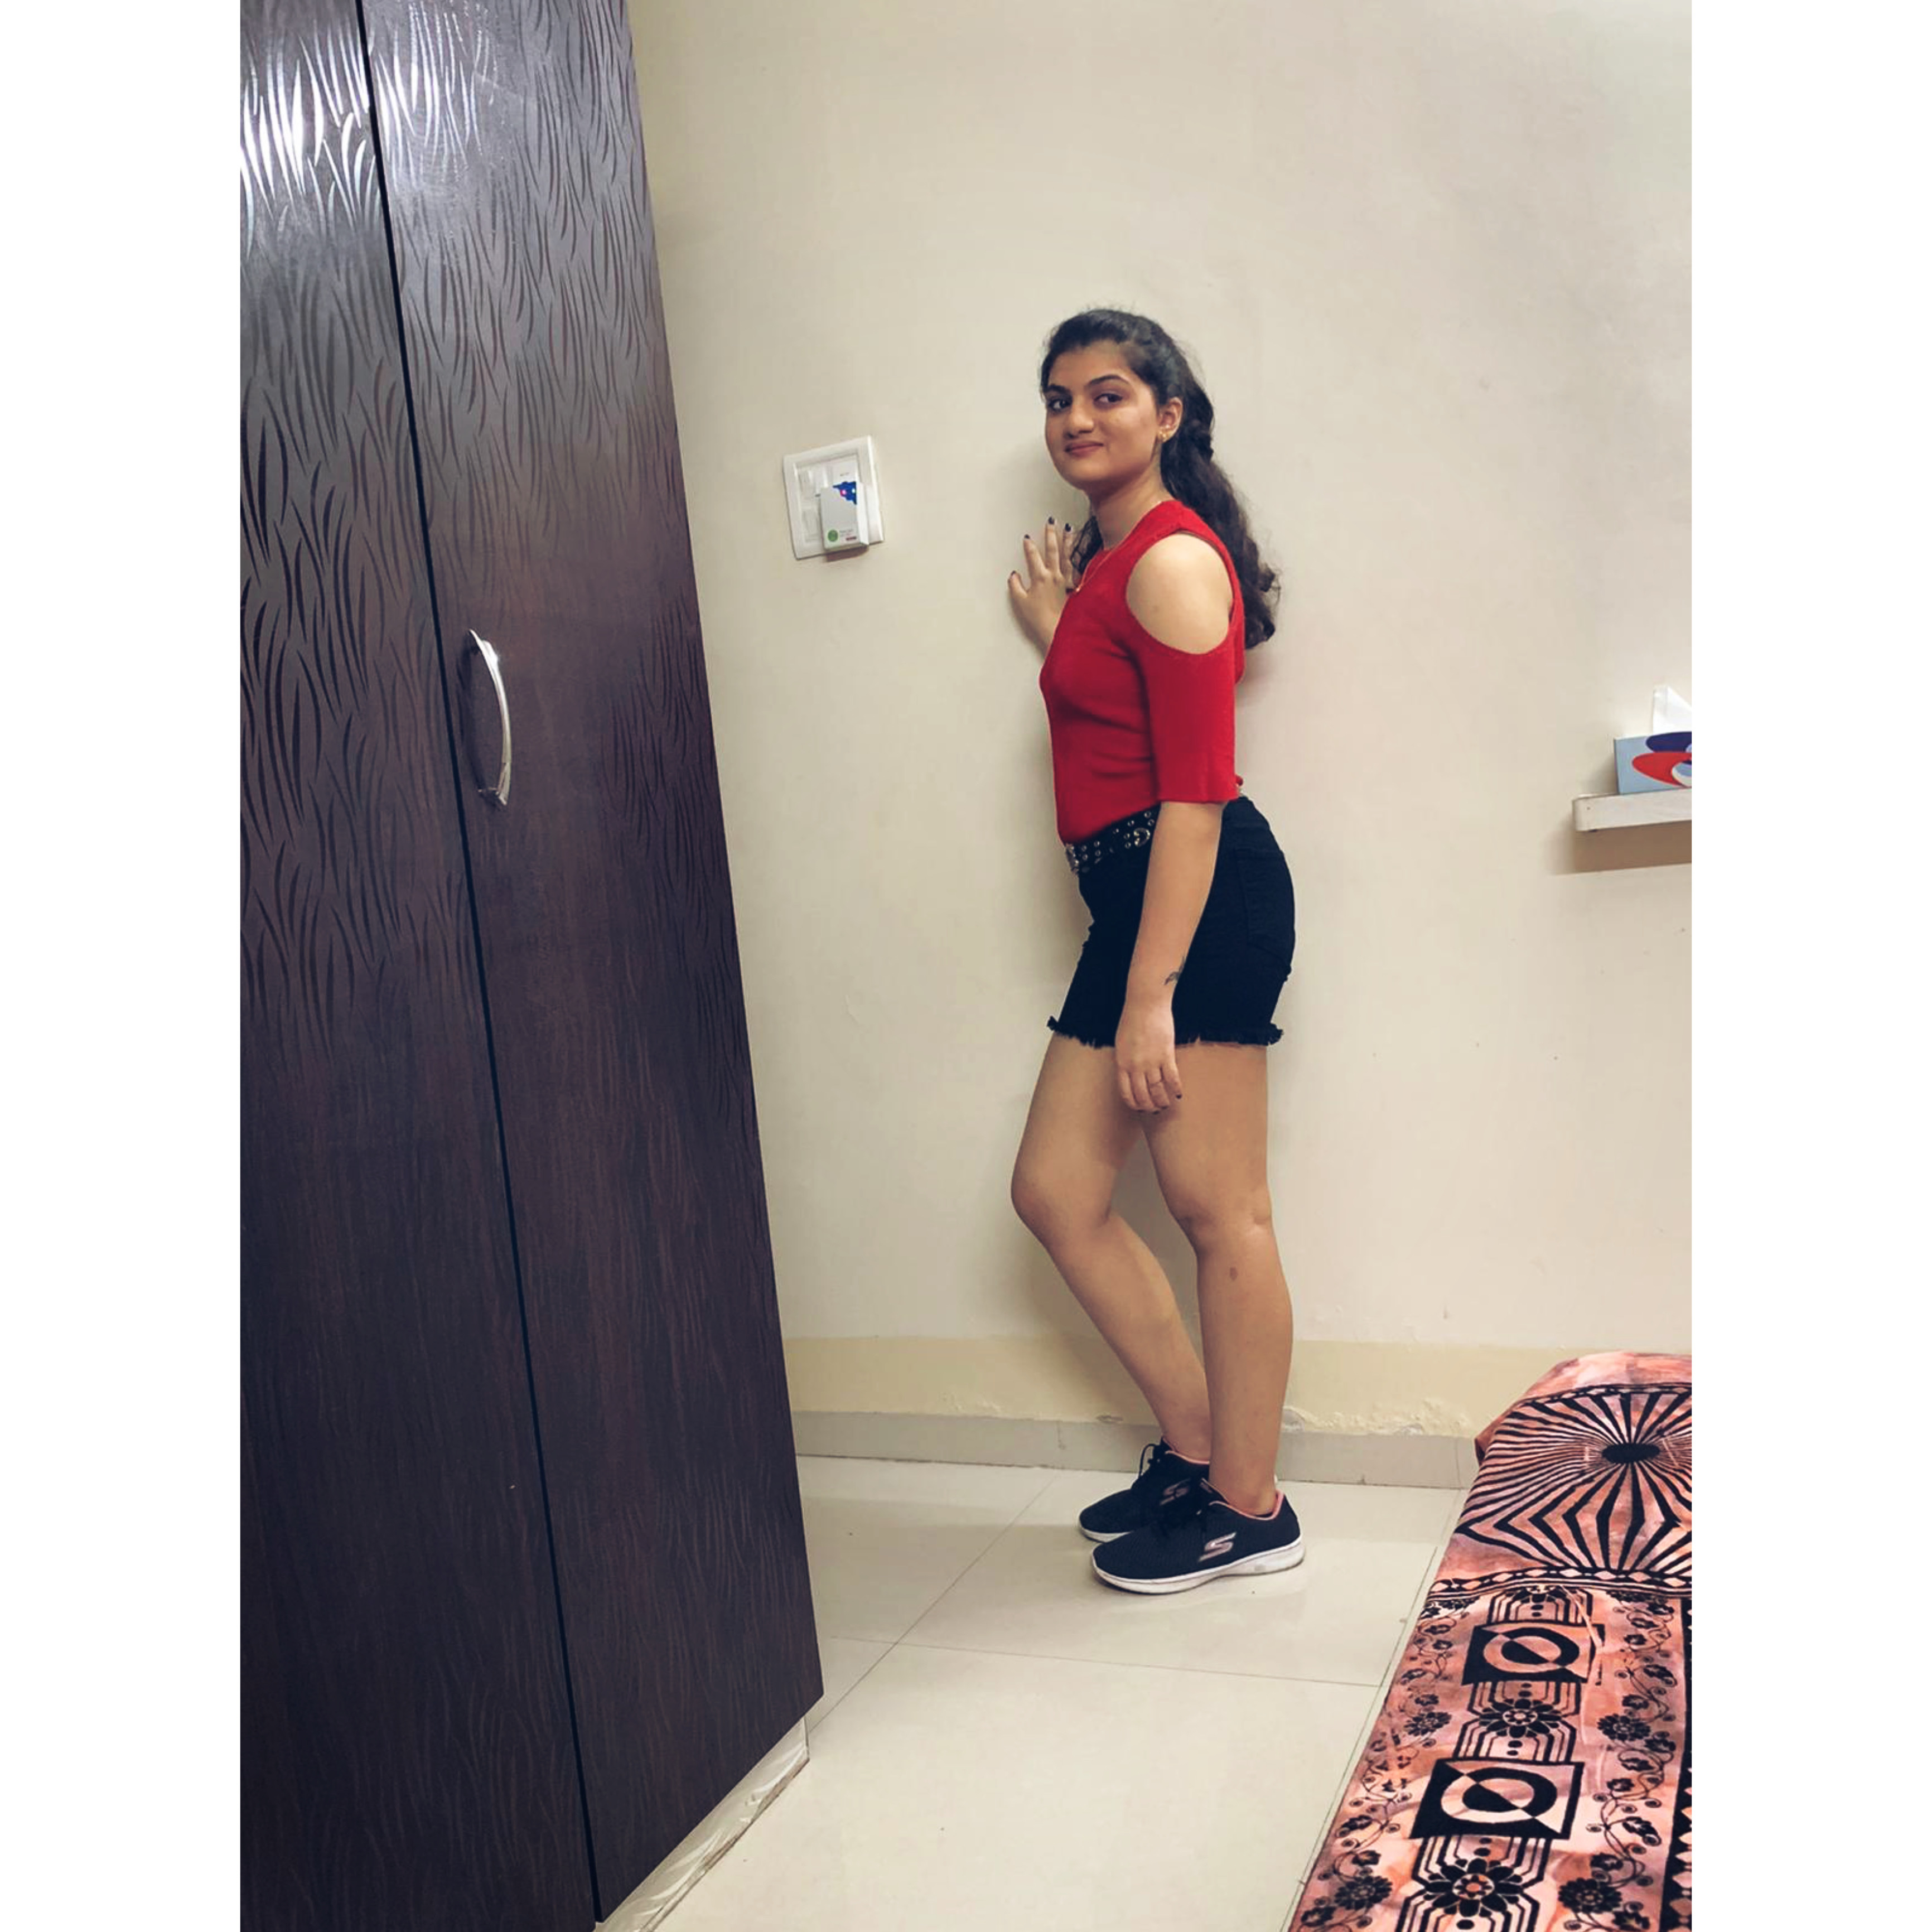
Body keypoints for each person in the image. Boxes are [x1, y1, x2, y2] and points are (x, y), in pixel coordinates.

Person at [1005, 308, 1304, 1595]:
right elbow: (1121, 716)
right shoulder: (1121, 565)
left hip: (1197, 901)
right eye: (1057, 398)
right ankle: (1196, 1452)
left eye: (1108, 394)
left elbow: (1193, 792)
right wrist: (1061, 626)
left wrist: (1151, 995)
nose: (1076, 418)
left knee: (1217, 1209)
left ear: (1168, 415)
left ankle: (1249, 1506)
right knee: (1056, 1192)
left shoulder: (1173, 562)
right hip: (1136, 901)